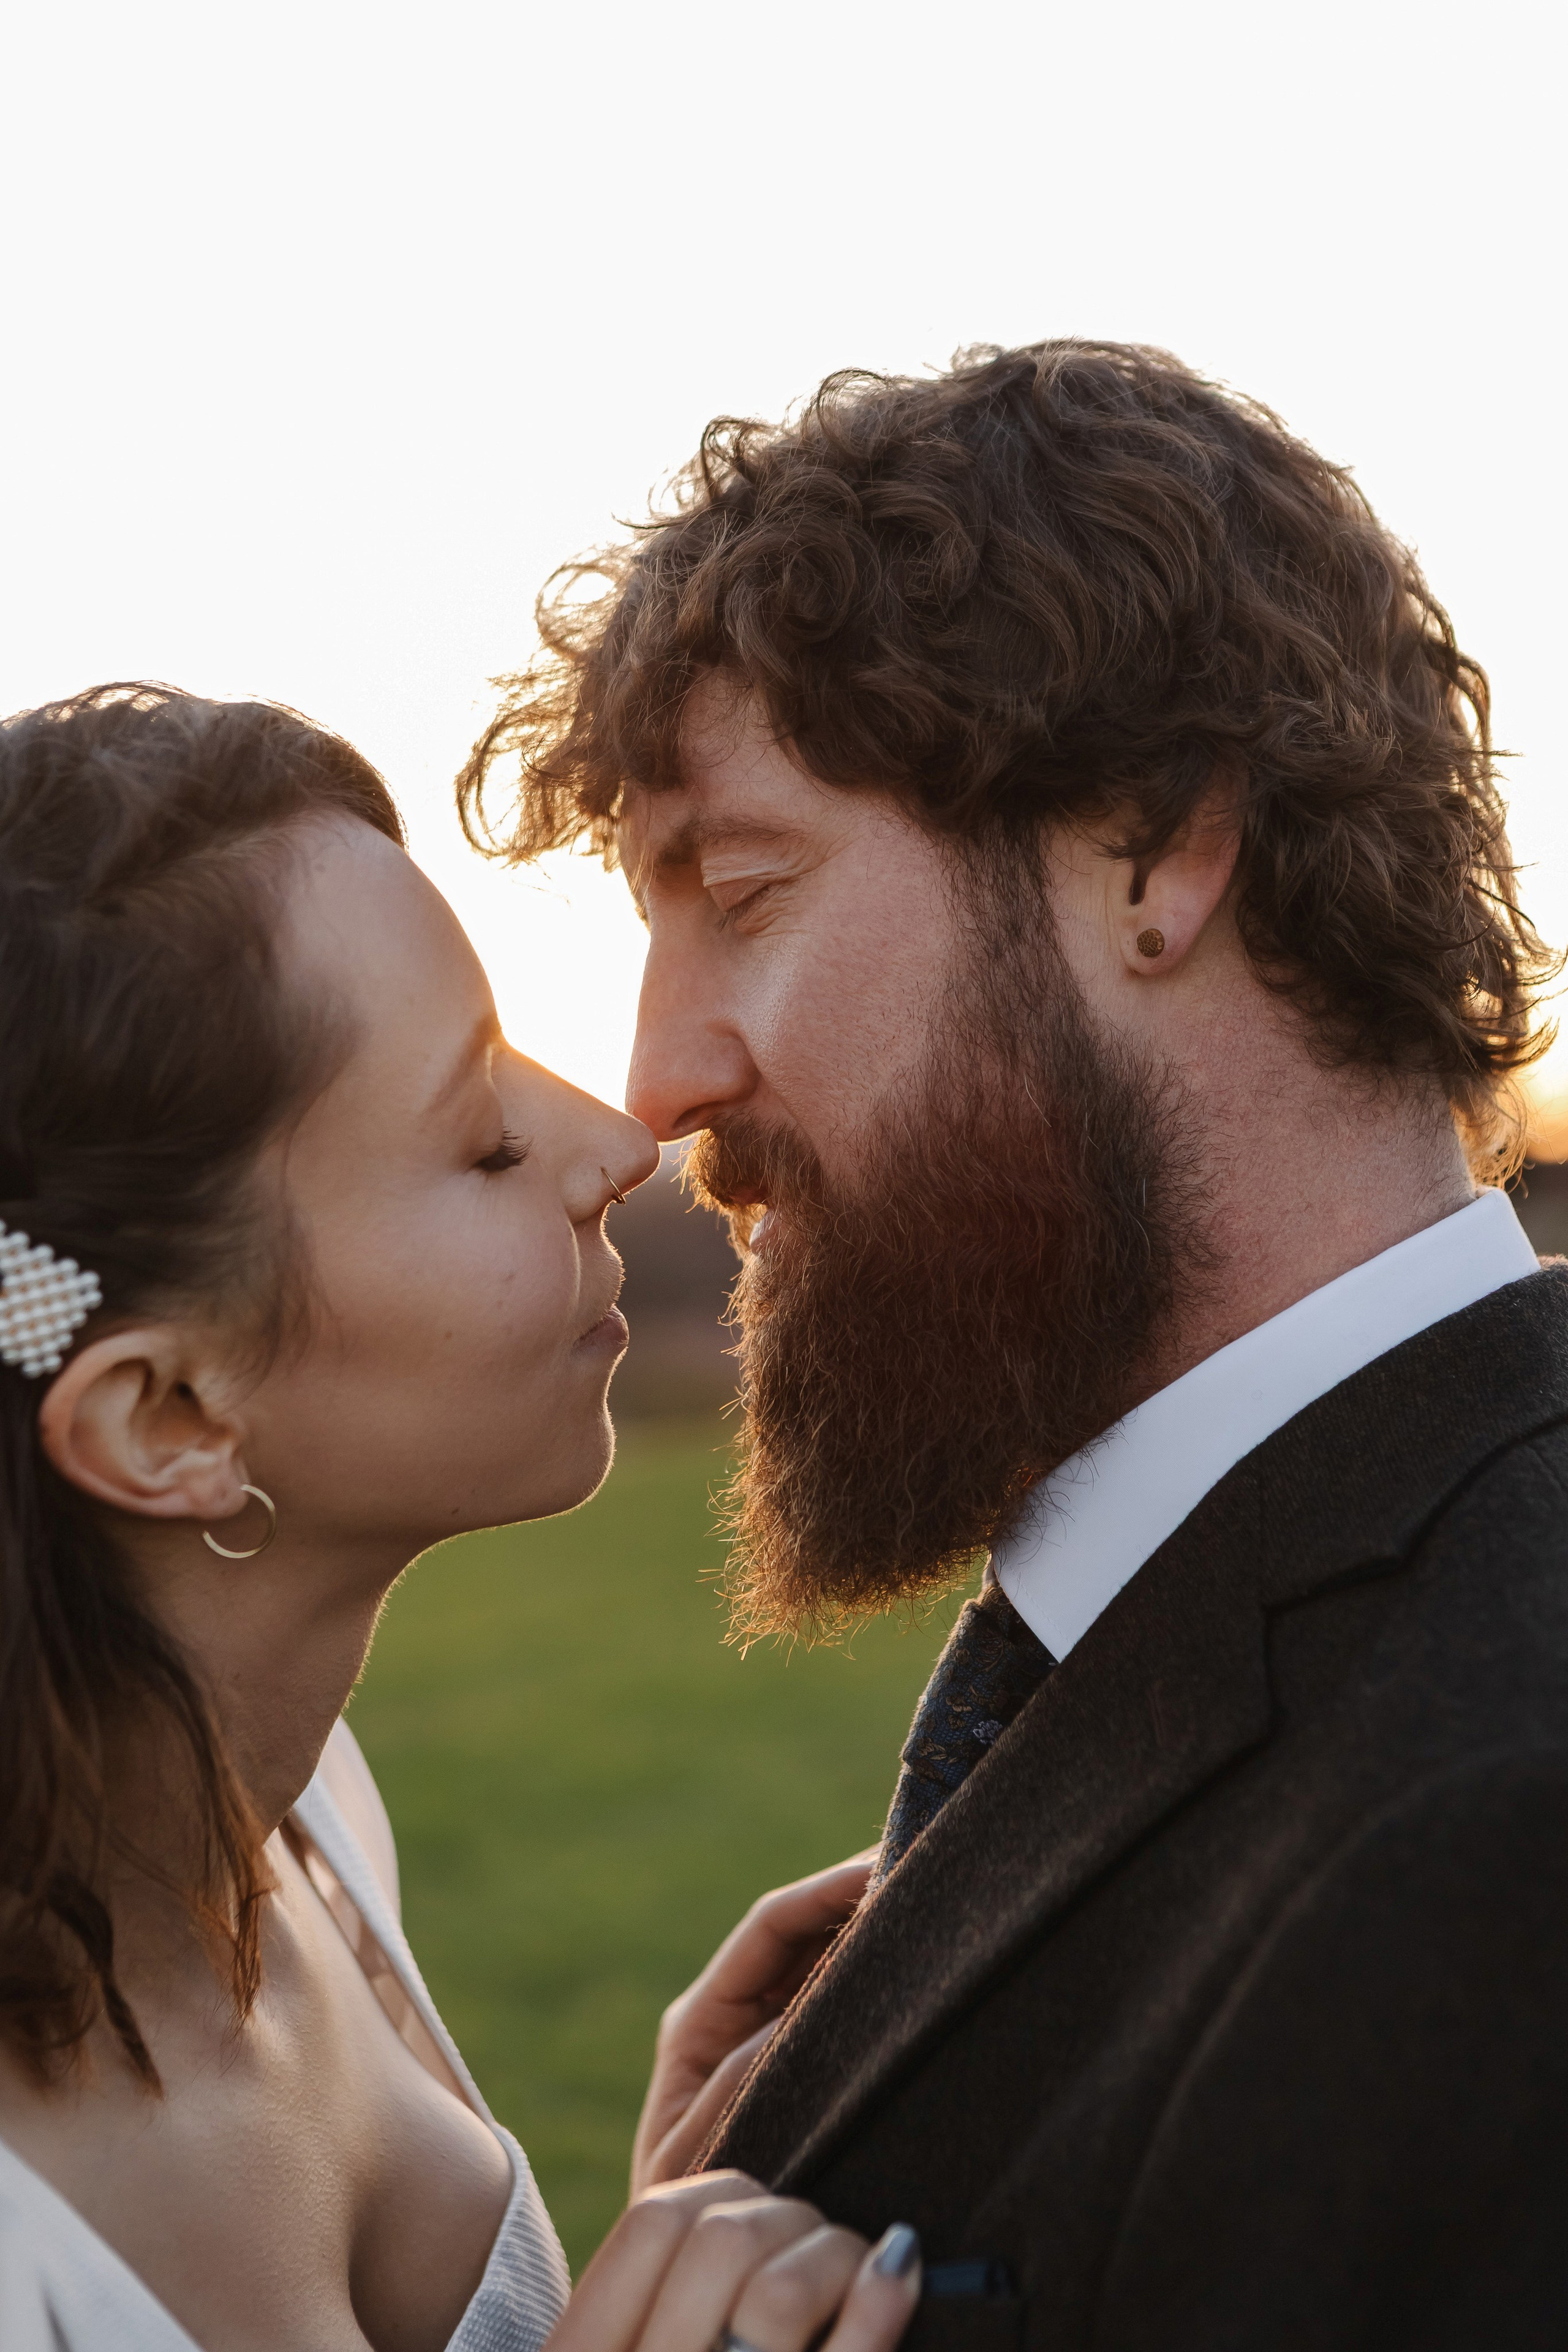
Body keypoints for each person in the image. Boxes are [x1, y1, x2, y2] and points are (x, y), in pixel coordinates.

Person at [461, 340, 1568, 2344]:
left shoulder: (1515, 1814)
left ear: (1154, 850)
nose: (657, 1074)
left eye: (743, 888)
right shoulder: (1228, 1605)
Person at [0, 684, 925, 2352]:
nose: (617, 1140)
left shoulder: (306, 1839)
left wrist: (669, 2198)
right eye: (484, 1141)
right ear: (169, 1420)